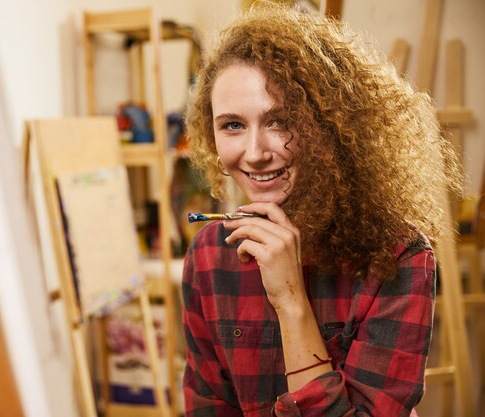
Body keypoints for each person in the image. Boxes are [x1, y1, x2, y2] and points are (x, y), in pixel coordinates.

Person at [181, 4, 462, 417]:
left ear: (328, 125)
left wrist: (291, 302)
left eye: (280, 120)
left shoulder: (399, 257)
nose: (255, 154)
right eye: (233, 125)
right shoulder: (209, 255)